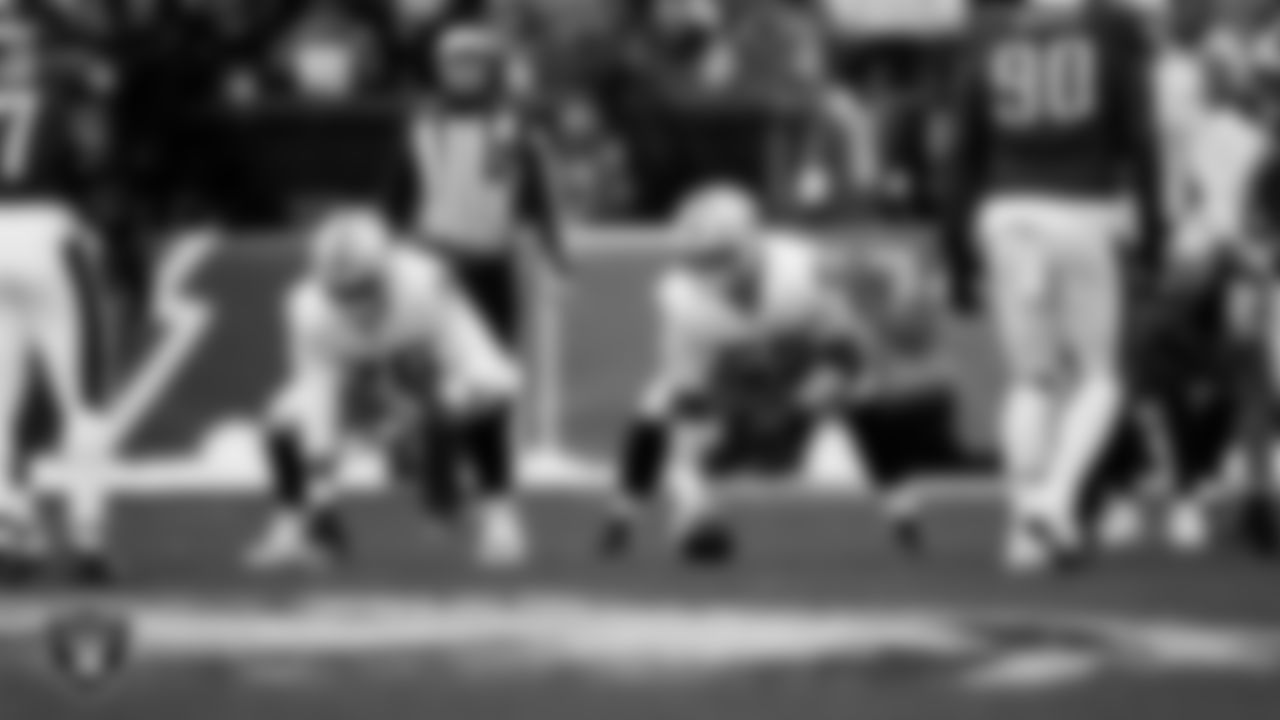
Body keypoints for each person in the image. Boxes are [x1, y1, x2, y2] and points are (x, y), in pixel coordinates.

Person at [943, 0, 1164, 573]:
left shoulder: (989, 40)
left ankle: (1023, 527)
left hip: (1006, 212)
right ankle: (1057, 497)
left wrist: (954, 257)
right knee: (1100, 376)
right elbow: (1140, 139)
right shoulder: (1110, 35)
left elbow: (962, 154)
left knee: (1030, 380)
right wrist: (1156, 230)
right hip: (1082, 209)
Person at [600, 184, 920, 564]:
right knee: (655, 406)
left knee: (864, 394)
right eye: (699, 260)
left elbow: (848, 354)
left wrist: (804, 403)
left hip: (803, 364)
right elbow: (689, 398)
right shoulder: (680, 298)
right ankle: (631, 518)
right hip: (730, 376)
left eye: (719, 256)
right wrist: (721, 447)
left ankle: (903, 514)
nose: (709, 271)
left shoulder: (804, 269)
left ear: (752, 243)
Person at [244, 208, 526, 572]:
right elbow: (317, 395)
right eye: (342, 291)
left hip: (429, 383)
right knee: (282, 419)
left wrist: (447, 412)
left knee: (489, 393)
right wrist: (323, 501)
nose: (356, 303)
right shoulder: (307, 309)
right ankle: (293, 528)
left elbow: (481, 362)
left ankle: (499, 520)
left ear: (388, 267)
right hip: (361, 394)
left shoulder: (426, 282)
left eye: (364, 287)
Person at [395, 22, 565, 512]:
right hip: (438, 266)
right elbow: (397, 195)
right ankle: (440, 475)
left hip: (493, 263)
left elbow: (535, 194)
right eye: (455, 63)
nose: (464, 73)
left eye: (474, 63)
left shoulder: (513, 125)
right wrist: (392, 251)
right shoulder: (422, 126)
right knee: (444, 373)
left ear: (491, 69)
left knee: (496, 378)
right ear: (440, 69)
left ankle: (489, 475)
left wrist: (556, 254)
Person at [0, 15, 107, 583]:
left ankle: (11, 524)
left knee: (0, 396)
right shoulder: (56, 106)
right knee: (82, 395)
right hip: (47, 232)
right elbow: (87, 171)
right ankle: (87, 535)